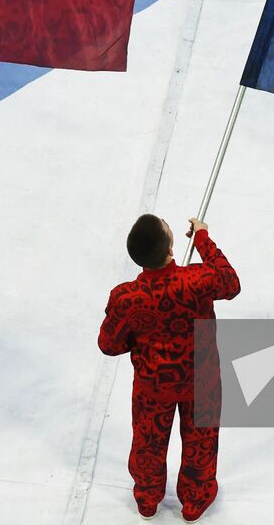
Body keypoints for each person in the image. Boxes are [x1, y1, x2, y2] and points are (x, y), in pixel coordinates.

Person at [98, 215, 241, 522]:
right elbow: (231, 282)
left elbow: (109, 345)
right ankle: (195, 500)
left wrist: (140, 339)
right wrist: (202, 238)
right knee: (200, 440)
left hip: (153, 386)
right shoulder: (198, 280)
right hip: (201, 380)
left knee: (148, 443)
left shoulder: (125, 298)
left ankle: (148, 499)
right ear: (171, 248)